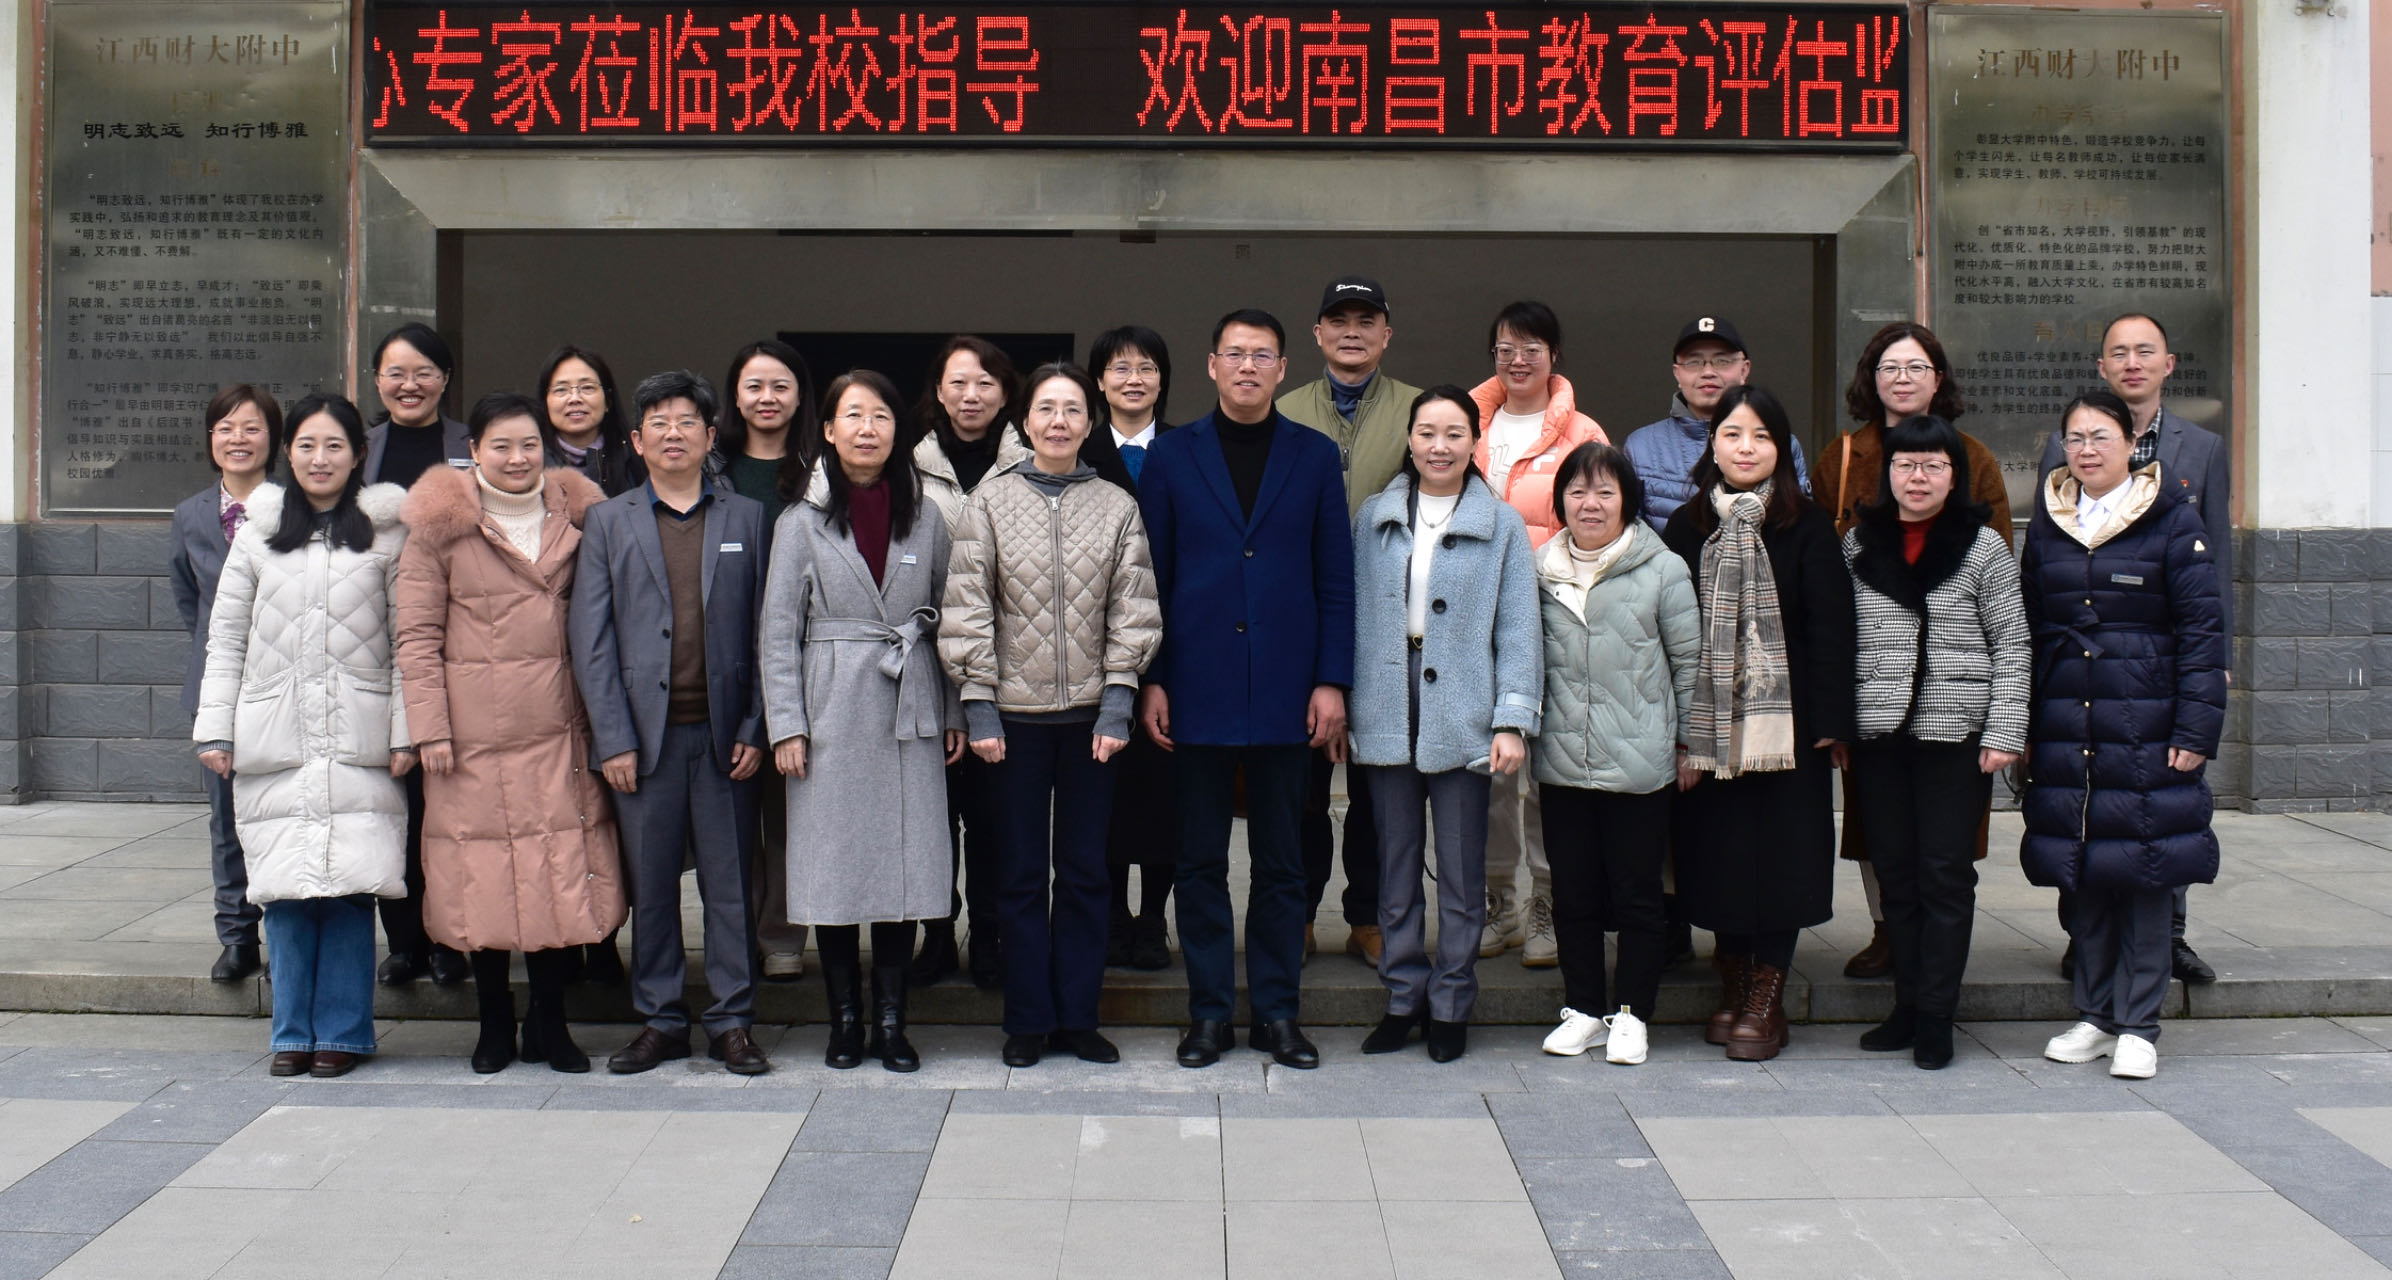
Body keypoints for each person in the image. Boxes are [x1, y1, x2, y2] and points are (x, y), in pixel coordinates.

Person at [1140, 308, 1354, 1071]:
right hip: (1194, 688)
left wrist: (1332, 680)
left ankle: (1276, 1013)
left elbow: (1335, 578)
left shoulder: (1314, 455)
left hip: (1288, 693)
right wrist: (1152, 678)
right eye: (1235, 354)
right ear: (1212, 365)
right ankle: (1207, 1015)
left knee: (1282, 864)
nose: (1248, 367)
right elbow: (1149, 579)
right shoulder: (1172, 457)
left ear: (1282, 368)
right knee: (1198, 862)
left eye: (1262, 355)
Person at [395, 392, 627, 1075]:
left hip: (561, 730)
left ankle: (550, 1022)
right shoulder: (439, 527)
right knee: (484, 877)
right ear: (474, 451)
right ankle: (493, 1020)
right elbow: (415, 636)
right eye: (500, 446)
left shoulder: (582, 516)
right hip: (473, 739)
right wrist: (430, 729)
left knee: (557, 873)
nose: (517, 458)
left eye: (529, 445)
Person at [942, 363, 1162, 1067]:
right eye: (1046, 409)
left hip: (1093, 720)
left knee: (1086, 872)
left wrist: (1119, 701)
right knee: (1019, 874)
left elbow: (1134, 607)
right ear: (1026, 421)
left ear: (1089, 423)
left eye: (1072, 409)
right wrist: (979, 706)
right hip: (1013, 720)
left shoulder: (1116, 505)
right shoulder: (991, 501)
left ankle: (1078, 1016)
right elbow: (967, 606)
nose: (1059, 421)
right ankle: (1027, 1020)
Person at [193, 393, 414, 1079]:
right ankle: (291, 1032)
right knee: (284, 888)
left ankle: (343, 1034)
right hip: (275, 733)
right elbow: (226, 639)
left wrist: (407, 732)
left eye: (335, 446)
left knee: (350, 886)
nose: (321, 459)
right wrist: (215, 728)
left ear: (358, 455)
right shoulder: (256, 534)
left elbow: (410, 643)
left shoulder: (387, 534)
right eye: (308, 445)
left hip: (359, 733)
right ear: (288, 453)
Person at [569, 370, 773, 1077]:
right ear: (636, 440)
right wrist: (613, 738)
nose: (673, 434)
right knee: (651, 888)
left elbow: (768, 631)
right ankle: (660, 1020)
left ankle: (732, 1021)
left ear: (711, 436)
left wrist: (756, 726)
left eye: (687, 422)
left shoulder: (748, 518)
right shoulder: (608, 521)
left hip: (726, 740)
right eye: (658, 423)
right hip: (643, 742)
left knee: (730, 887)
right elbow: (591, 639)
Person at [763, 370, 964, 1073]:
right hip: (830, 711)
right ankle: (845, 1020)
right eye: (852, 415)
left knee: (905, 868)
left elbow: (951, 620)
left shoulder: (927, 516)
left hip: (910, 705)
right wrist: (786, 725)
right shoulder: (799, 521)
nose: (867, 428)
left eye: (880, 415)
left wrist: (955, 709)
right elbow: (777, 632)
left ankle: (892, 1021)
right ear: (828, 429)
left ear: (897, 430)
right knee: (835, 868)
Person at [2022, 390, 2225, 1082]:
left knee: (2144, 871)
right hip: (2068, 723)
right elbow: (2032, 627)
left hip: (2148, 724)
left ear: (2130, 445)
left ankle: (2139, 1023)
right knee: (2084, 871)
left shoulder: (2171, 519)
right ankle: (2095, 1013)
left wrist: (2197, 727)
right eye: (2075, 438)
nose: (2086, 450)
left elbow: (2202, 634)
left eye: (2100, 437)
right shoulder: (2050, 522)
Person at [1660, 385, 1855, 1063]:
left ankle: (1767, 993)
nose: (1746, 448)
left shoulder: (1808, 526)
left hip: (1786, 730)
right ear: (1712, 444)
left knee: (1781, 860)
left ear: (1782, 448)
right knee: (1718, 856)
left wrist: (1832, 722)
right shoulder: (1686, 526)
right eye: (1733, 434)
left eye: (1761, 436)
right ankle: (1734, 978)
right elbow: (1666, 632)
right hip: (1708, 725)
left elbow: (1832, 629)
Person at [1814, 321, 2012, 983]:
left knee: (1944, 846)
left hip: (1953, 694)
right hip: (1874, 684)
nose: (1902, 379)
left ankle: (1933, 967)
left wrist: (2005, 717)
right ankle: (1888, 930)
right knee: (1880, 830)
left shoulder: (1974, 457)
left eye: (1916, 367)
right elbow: (1825, 569)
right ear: (1871, 380)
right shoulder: (1845, 456)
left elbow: (2000, 586)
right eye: (1889, 368)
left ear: (1939, 378)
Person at [1347, 386, 1540, 1063]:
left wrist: (1511, 719)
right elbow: (1351, 613)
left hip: (1465, 704)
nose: (1439, 446)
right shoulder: (1373, 517)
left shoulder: (1502, 523)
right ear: (1409, 439)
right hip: (1385, 698)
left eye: (1454, 433)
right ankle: (1403, 996)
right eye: (1427, 432)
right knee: (1395, 862)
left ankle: (1453, 1000)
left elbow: (1519, 628)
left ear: (1474, 442)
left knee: (1461, 868)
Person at [1840, 414, 2031, 1070]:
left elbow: (2013, 644)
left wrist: (2005, 731)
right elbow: (1841, 640)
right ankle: (1906, 1005)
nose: (1917, 477)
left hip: (1958, 737)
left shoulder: (1983, 547)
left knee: (1945, 876)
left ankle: (1937, 1016)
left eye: (1933, 466)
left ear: (1955, 476)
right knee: (1896, 876)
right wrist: (1841, 725)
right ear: (1887, 473)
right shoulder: (1858, 543)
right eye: (1905, 464)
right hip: (1879, 733)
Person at [1618, 316, 1806, 967]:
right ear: (1676, 370)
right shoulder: (1642, 446)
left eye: (1721, 359)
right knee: (1675, 798)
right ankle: (1672, 925)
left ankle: (1742, 944)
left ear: (1744, 368)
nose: (1708, 371)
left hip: (1757, 656)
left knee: (1739, 813)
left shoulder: (1784, 448)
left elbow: (1791, 522)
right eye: (1694, 360)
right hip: (1673, 642)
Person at [1533, 442, 1700, 1067]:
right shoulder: (1541, 569)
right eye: (1577, 491)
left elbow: (1690, 664)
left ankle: (1631, 1013)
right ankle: (1581, 1008)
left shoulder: (1662, 569)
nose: (1591, 504)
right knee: (1572, 892)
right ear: (1560, 502)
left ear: (1628, 500)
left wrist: (1690, 747)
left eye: (1605, 491)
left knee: (1638, 894)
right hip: (1561, 760)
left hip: (1640, 762)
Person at [1279, 276, 1418, 971]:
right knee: (1300, 781)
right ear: (1318, 333)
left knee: (1377, 782)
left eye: (1367, 320)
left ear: (1387, 333)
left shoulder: (1418, 410)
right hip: (1300, 620)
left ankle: (1369, 915)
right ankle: (1299, 914)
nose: (1352, 331)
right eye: (1339, 320)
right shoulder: (1284, 409)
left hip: (1391, 622)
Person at [1466, 301, 1607, 970]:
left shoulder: (1583, 432)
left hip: (1555, 617)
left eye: (1531, 349)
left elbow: (1599, 522)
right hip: (1473, 623)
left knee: (1549, 775)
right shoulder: (1467, 423)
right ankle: (1499, 901)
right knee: (1490, 772)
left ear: (1554, 355)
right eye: (1505, 348)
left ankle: (1550, 903)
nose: (1517, 360)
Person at [912, 336, 1031, 990]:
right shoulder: (909, 466)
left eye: (986, 382)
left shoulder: (1027, 463)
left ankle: (988, 935)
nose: (971, 395)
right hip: (925, 666)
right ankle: (936, 932)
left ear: (1005, 393)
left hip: (1008, 668)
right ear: (938, 390)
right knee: (932, 815)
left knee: (992, 818)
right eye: (958, 382)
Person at [361, 322, 471, 990]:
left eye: (424, 371)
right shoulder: (358, 448)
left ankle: (450, 938)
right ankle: (403, 941)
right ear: (377, 379)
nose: (410, 384)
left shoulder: (469, 446)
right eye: (396, 373)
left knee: (446, 802)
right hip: (372, 640)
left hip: (454, 635)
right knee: (391, 798)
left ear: (445, 379)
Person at [170, 385, 282, 985]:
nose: (238, 439)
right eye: (225, 428)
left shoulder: (295, 505)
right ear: (211, 439)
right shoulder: (190, 514)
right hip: (218, 689)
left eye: (252, 427)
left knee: (283, 812)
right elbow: (190, 601)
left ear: (273, 438)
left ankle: (287, 930)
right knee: (225, 820)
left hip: (286, 681)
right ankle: (237, 936)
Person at [718, 340, 820, 986]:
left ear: (800, 395)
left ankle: (782, 935)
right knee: (729, 810)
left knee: (787, 809)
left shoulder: (820, 474)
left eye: (780, 386)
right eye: (754, 385)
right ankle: (734, 936)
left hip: (800, 657)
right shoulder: (713, 470)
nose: (767, 398)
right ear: (735, 395)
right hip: (722, 653)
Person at [1081, 326, 1180, 971]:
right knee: (1106, 791)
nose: (1134, 379)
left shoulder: (1188, 450)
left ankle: (1153, 919)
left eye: (1146, 367)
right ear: (1100, 381)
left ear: (1163, 379)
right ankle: (1113, 915)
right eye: (1120, 368)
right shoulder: (1079, 451)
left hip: (1175, 647)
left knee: (1166, 793)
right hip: (1092, 651)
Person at [537, 344, 645, 498]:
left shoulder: (639, 461)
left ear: (608, 400)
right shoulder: (530, 465)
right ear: (545, 402)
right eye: (561, 389)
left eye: (587, 387)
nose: (575, 398)